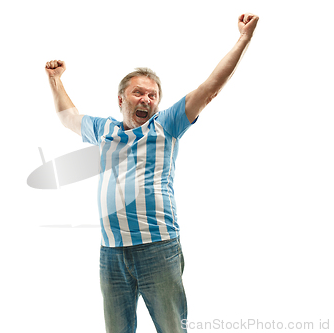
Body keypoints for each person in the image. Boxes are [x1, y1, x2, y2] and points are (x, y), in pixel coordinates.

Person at [45, 12, 259, 333]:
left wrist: (243, 39)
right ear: (121, 99)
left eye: (152, 95)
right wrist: (55, 80)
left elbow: (209, 88)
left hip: (157, 249)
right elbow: (67, 117)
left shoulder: (165, 126)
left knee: (172, 328)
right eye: (138, 93)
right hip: (111, 252)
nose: (146, 98)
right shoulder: (103, 130)